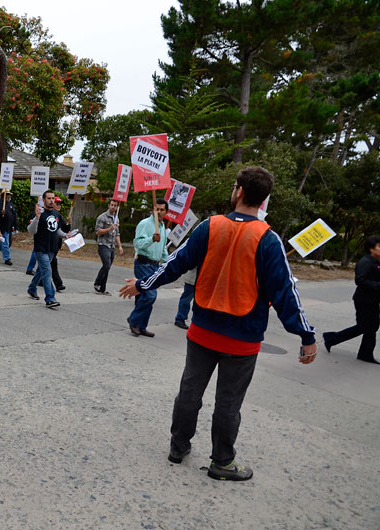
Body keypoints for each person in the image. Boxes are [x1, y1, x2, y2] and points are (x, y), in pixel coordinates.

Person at [119, 166, 317, 481]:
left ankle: (178, 446)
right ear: (263, 199)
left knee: (189, 391)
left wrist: (142, 285)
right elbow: (286, 293)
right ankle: (222, 462)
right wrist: (306, 335)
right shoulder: (268, 239)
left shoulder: (210, 227)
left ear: (239, 191)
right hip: (243, 339)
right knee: (228, 402)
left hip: (203, 331)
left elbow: (175, 263)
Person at [323, 235, 380, 364]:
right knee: (364, 326)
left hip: (374, 300)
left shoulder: (377, 262)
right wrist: (377, 286)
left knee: (373, 327)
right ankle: (331, 338)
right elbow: (360, 280)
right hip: (363, 300)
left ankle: (366, 354)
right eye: (379, 246)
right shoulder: (365, 262)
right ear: (371, 249)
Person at [127, 198, 169, 337]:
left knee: (144, 296)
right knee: (150, 295)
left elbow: (163, 249)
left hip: (155, 265)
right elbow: (137, 244)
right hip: (143, 263)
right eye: (157, 209)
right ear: (152, 210)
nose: (160, 212)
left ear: (166, 212)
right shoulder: (145, 224)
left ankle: (141, 326)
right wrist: (151, 239)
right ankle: (133, 320)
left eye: (162, 210)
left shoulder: (162, 227)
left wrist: (168, 262)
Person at [27, 190, 69, 308]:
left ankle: (31, 288)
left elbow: (57, 230)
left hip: (52, 249)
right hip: (40, 249)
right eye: (49, 198)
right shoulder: (39, 213)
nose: (51, 201)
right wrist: (36, 218)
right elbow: (31, 230)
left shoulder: (56, 215)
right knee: (47, 272)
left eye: (53, 198)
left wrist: (66, 235)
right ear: (44, 200)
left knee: (41, 271)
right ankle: (50, 298)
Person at [94, 198, 124, 295]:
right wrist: (110, 228)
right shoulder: (102, 217)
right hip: (103, 244)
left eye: (115, 206)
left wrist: (120, 246)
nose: (113, 207)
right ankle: (97, 283)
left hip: (111, 245)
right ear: (108, 205)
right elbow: (98, 231)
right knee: (106, 264)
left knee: (108, 267)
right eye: (112, 205)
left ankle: (102, 288)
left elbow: (117, 234)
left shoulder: (116, 218)